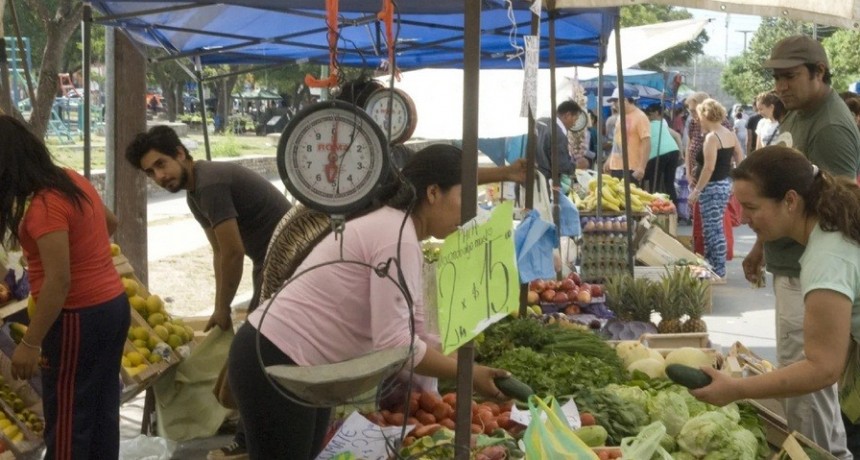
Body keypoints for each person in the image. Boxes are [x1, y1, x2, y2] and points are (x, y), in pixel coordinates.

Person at [227, 144, 513, 459]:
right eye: (465, 198)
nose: (470, 212)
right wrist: (466, 373)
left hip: (306, 372)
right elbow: (396, 345)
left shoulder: (402, 234)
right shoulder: (396, 236)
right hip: (275, 359)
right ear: (433, 193)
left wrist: (468, 362)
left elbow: (418, 330)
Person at [125, 125, 293, 460]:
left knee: (254, 354)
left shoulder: (210, 183)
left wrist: (223, 307)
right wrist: (220, 308)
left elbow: (233, 253)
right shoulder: (194, 193)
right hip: (270, 260)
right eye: (150, 173)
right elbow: (218, 252)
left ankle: (252, 440)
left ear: (180, 154)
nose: (159, 176)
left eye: (161, 164)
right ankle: (252, 436)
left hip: (286, 260)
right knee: (257, 353)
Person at [693, 147, 860, 454]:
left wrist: (737, 389)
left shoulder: (826, 260)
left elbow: (823, 368)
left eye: (751, 207)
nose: (744, 218)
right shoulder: (830, 233)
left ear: (790, 201)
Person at [744, 34, 860, 458]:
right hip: (796, 269)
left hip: (809, 275)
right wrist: (760, 246)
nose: (781, 87)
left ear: (819, 72)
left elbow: (840, 204)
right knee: (807, 393)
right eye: (776, 78)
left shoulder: (831, 128)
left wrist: (736, 390)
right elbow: (780, 188)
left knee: (809, 392)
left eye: (790, 76)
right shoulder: (796, 113)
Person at [0, 115, 130, 459]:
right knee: (101, 411)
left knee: (69, 419)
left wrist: (30, 343)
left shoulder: (43, 207)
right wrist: (83, 254)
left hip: (77, 318)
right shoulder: (70, 179)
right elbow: (111, 222)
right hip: (113, 306)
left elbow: (59, 282)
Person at [687, 99, 743, 279]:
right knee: (714, 227)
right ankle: (714, 267)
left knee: (713, 230)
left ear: (706, 115)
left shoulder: (712, 137)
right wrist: (734, 180)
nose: (698, 119)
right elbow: (740, 156)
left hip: (712, 187)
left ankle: (717, 269)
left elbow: (708, 167)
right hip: (723, 184)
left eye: (699, 115)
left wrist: (697, 191)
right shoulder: (729, 134)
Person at [604, 87, 650, 185]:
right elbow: (617, 141)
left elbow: (646, 143)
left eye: (615, 101)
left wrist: (642, 167)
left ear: (624, 100)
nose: (613, 105)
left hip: (631, 168)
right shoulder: (620, 117)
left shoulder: (640, 117)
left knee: (630, 194)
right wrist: (610, 159)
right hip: (616, 166)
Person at [535, 100, 582, 192]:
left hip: (532, 177)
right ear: (567, 115)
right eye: (575, 119)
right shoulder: (558, 134)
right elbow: (562, 165)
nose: (574, 124)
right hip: (545, 184)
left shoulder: (540, 122)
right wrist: (574, 166)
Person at [642, 103, 681, 203]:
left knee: (654, 183)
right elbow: (677, 135)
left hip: (658, 154)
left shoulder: (644, 125)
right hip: (673, 151)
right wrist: (681, 153)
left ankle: (656, 207)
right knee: (669, 183)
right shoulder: (660, 124)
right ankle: (674, 208)